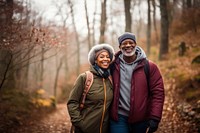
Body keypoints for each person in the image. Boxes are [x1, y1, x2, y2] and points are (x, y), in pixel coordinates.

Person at [110, 32, 165, 133]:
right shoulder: (113, 65)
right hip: (118, 118)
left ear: (135, 44)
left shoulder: (149, 66)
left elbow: (158, 92)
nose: (128, 45)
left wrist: (155, 117)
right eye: (124, 43)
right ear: (119, 47)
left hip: (141, 119)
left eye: (131, 42)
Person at [67, 43, 115, 133]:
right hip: (85, 129)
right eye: (102, 56)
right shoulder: (85, 78)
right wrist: (80, 123)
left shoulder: (110, 79)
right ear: (95, 60)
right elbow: (72, 102)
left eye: (108, 57)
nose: (105, 59)